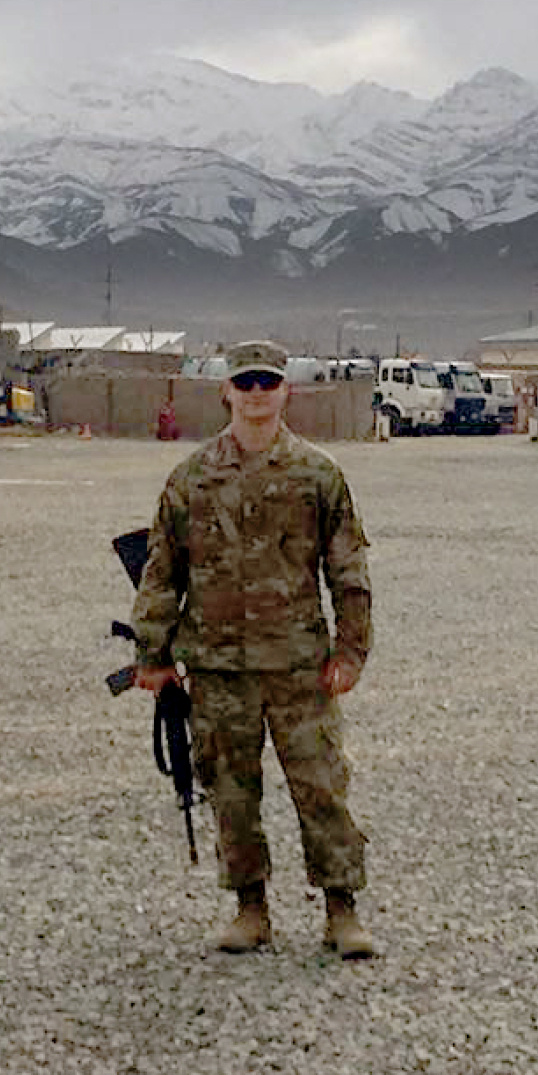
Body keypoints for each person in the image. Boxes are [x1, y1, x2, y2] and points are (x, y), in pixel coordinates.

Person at [131, 339, 377, 958]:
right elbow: (162, 571)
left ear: (287, 389)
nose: (258, 393)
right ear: (226, 392)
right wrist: (153, 656)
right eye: (246, 383)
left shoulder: (318, 475)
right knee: (231, 792)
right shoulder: (191, 478)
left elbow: (348, 570)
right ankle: (251, 910)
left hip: (299, 666)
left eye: (269, 382)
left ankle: (341, 911)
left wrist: (350, 653)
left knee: (321, 788)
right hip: (218, 669)